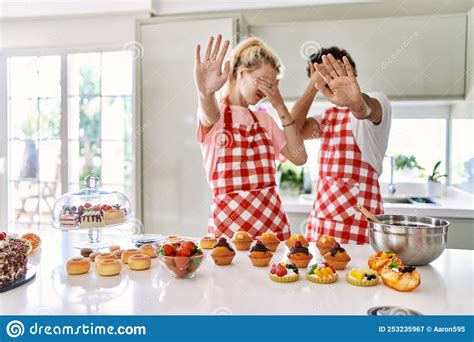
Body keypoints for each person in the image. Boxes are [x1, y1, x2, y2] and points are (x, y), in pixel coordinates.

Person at [195, 34, 307, 240]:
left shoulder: (265, 120)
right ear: (242, 73)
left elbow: (299, 157)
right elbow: (208, 111)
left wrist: (279, 105)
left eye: (273, 85)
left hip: (272, 230)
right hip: (229, 233)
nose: (267, 91)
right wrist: (205, 93)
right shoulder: (217, 116)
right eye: (263, 82)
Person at [292, 47, 392, 244]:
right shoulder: (327, 119)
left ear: (352, 72)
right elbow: (292, 131)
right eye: (325, 75)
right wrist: (313, 86)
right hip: (321, 230)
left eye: (338, 71)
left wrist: (356, 103)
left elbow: (366, 109)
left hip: (360, 234)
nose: (333, 78)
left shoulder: (377, 102)